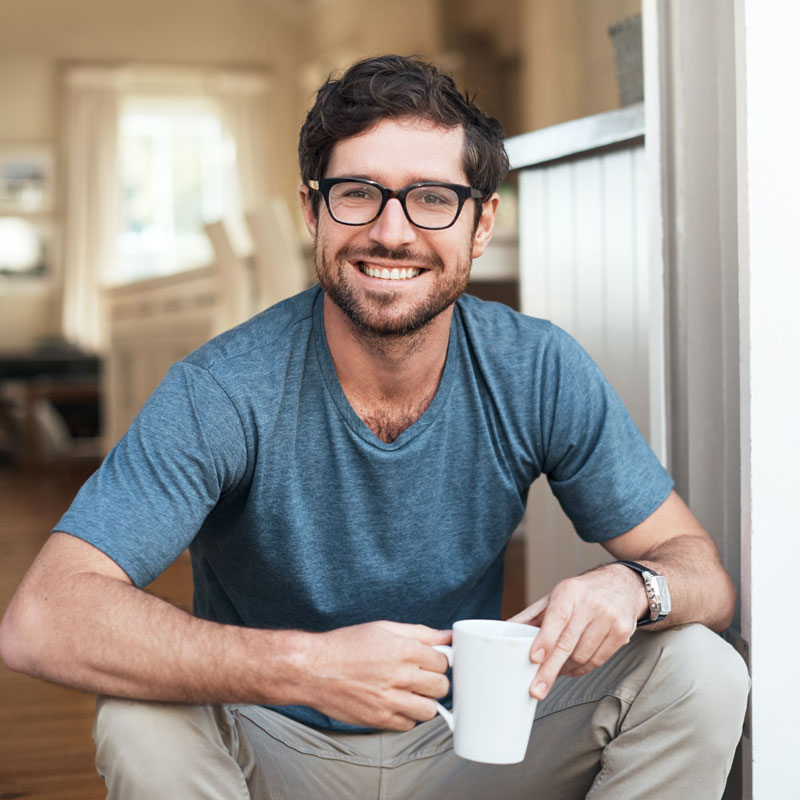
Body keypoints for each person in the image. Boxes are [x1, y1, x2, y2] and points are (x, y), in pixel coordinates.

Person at [0, 55, 748, 799]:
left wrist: (632, 587)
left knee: (699, 668)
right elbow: (42, 619)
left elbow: (701, 576)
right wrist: (308, 668)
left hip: (466, 748)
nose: (393, 233)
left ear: (481, 222)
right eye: (358, 194)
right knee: (138, 713)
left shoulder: (536, 367)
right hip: (269, 753)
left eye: (432, 199)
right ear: (312, 211)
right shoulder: (221, 389)